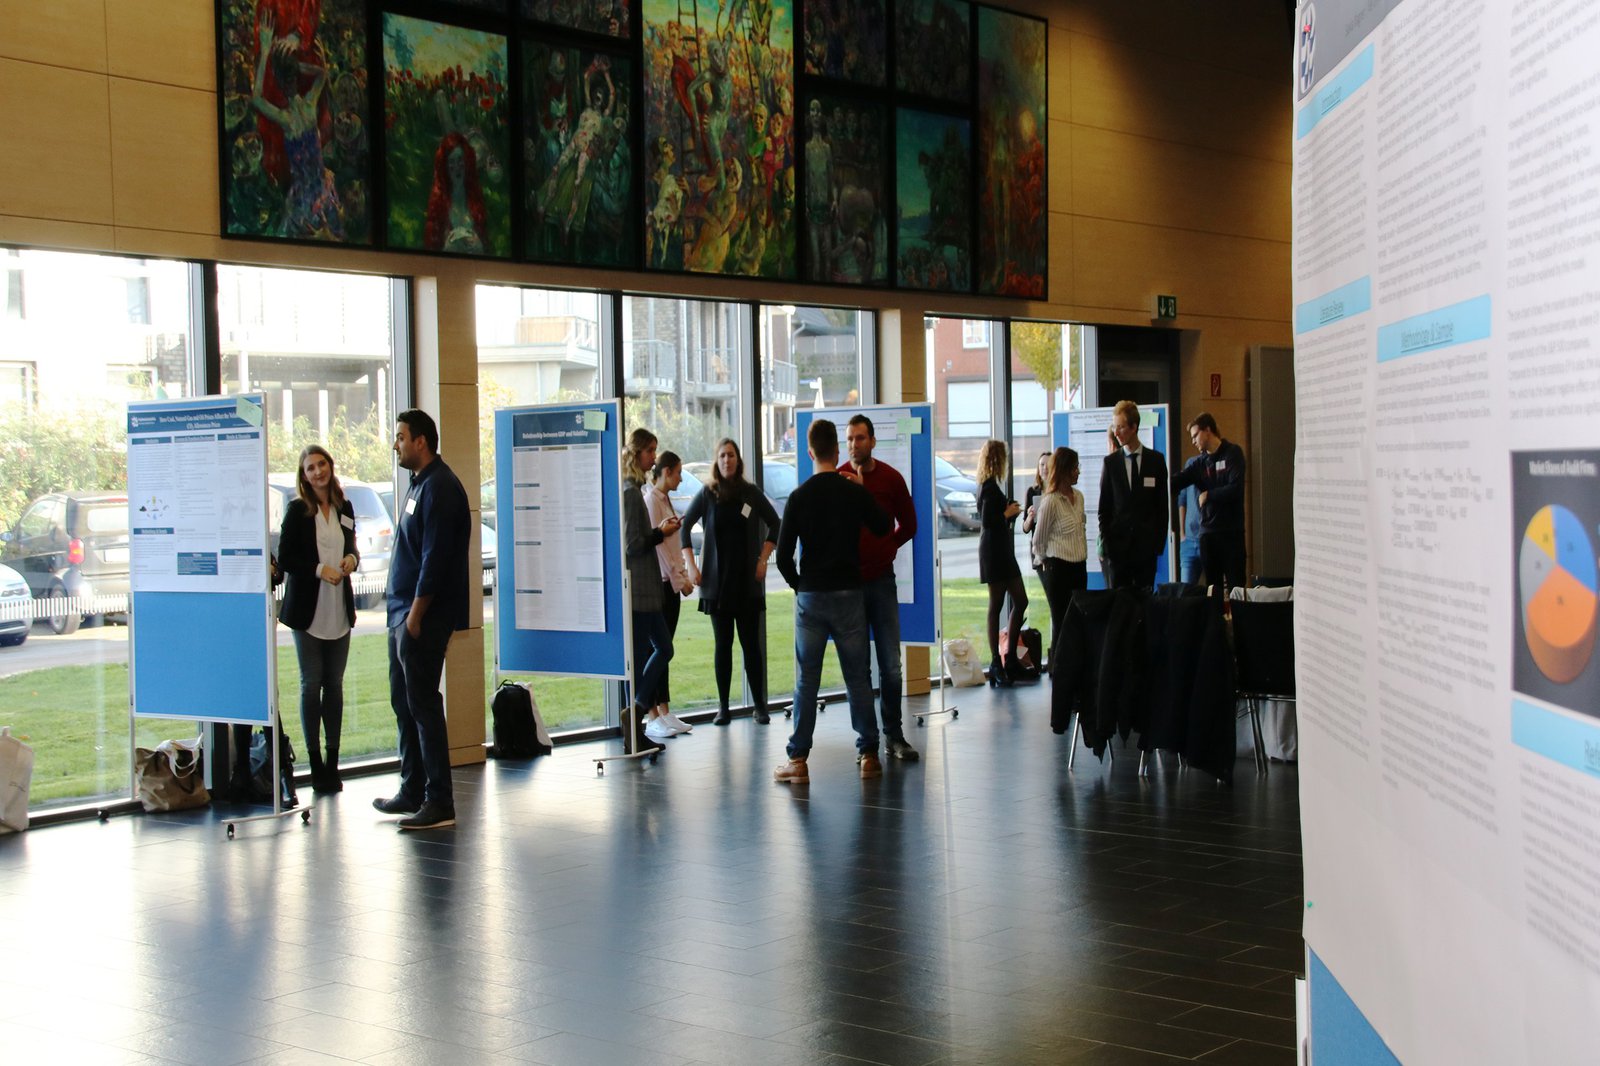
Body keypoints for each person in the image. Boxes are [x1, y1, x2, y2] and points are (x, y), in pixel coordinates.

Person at [773, 419, 891, 783]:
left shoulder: (799, 496)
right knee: (858, 676)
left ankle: (799, 761)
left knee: (806, 681)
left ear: (810, 452)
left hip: (812, 596)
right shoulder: (851, 491)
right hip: (849, 594)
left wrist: (799, 585)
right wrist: (861, 489)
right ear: (837, 452)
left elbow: (782, 557)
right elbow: (885, 526)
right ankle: (869, 753)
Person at [373, 409, 472, 831]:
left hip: (422, 618)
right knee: (405, 702)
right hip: (402, 614)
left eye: (400, 437)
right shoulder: (419, 485)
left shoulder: (442, 488)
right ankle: (412, 788)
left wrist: (414, 616)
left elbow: (435, 560)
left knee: (424, 705)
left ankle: (439, 800)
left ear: (421, 441)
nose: (395, 444)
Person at [276, 444, 358, 794]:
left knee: (334, 686)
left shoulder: (344, 506)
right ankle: (315, 764)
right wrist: (319, 569)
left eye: (321, 464)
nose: (317, 472)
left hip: (338, 607)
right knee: (311, 685)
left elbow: (352, 546)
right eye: (310, 468)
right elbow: (286, 559)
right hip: (308, 611)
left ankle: (333, 760)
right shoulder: (297, 511)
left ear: (330, 466)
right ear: (303, 475)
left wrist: (352, 559)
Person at [682, 438, 780, 726]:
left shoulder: (750, 493)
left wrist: (764, 558)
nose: (727, 460)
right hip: (716, 584)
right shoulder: (708, 493)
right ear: (717, 460)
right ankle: (723, 707)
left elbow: (775, 523)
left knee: (751, 646)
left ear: (738, 460)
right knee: (722, 646)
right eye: (722, 455)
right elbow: (685, 528)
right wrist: (691, 565)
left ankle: (760, 706)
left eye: (732, 455)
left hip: (746, 584)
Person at [840, 414, 919, 762]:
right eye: (850, 439)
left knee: (891, 665)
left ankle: (894, 735)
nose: (855, 445)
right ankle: (866, 743)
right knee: (858, 668)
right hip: (849, 586)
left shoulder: (891, 478)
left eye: (860, 438)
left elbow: (910, 524)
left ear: (872, 441)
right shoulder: (839, 478)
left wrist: (888, 546)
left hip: (882, 582)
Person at [621, 428, 679, 755]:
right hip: (640, 591)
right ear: (637, 452)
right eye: (650, 451)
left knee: (664, 650)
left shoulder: (633, 488)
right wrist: (660, 533)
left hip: (647, 591)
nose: (654, 458)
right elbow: (632, 544)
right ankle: (637, 714)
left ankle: (638, 712)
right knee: (656, 651)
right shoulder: (630, 493)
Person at [642, 451, 694, 739]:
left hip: (670, 585)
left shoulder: (665, 500)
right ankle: (651, 714)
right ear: (665, 472)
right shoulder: (651, 500)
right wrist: (679, 580)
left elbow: (669, 542)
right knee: (658, 650)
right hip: (661, 585)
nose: (681, 478)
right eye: (677, 472)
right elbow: (658, 547)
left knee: (666, 650)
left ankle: (664, 709)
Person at [1170, 412, 1247, 596]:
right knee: (1213, 590)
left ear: (1208, 430)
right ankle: (1216, 624)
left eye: (1195, 435)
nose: (1193, 441)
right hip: (1208, 535)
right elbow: (1178, 481)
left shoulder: (1232, 453)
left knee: (1236, 587)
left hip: (1231, 533)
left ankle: (1240, 623)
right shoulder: (1200, 463)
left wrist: (1209, 495)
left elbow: (1235, 487)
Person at [1098, 399, 1169, 591]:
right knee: (1120, 605)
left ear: (1134, 427)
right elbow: (1104, 509)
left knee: (1145, 604)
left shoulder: (1156, 461)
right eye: (1115, 427)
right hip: (1118, 551)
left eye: (1121, 427)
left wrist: (1157, 545)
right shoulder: (1110, 463)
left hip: (1146, 550)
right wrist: (1109, 545)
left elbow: (1162, 507)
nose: (1116, 432)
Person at [976, 439, 1029, 686]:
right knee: (997, 604)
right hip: (994, 553)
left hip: (999, 551)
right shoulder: (988, 487)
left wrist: (1008, 513)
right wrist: (1006, 514)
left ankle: (1007, 661)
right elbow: (987, 521)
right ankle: (997, 662)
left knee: (1019, 600)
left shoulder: (990, 486)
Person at [1030, 447, 1087, 668]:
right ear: (1063, 471)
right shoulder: (1051, 502)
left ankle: (1076, 678)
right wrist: (1045, 560)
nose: (1078, 472)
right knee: (1063, 625)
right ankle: (1062, 676)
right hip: (1058, 570)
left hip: (1078, 568)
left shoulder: (1079, 497)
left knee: (1078, 624)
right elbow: (1038, 540)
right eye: (1074, 468)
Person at [1177, 481, 1203, 586]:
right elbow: (1182, 500)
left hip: (1207, 539)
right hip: (1188, 541)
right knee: (1185, 590)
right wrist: (1182, 533)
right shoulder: (1190, 464)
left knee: (1213, 589)